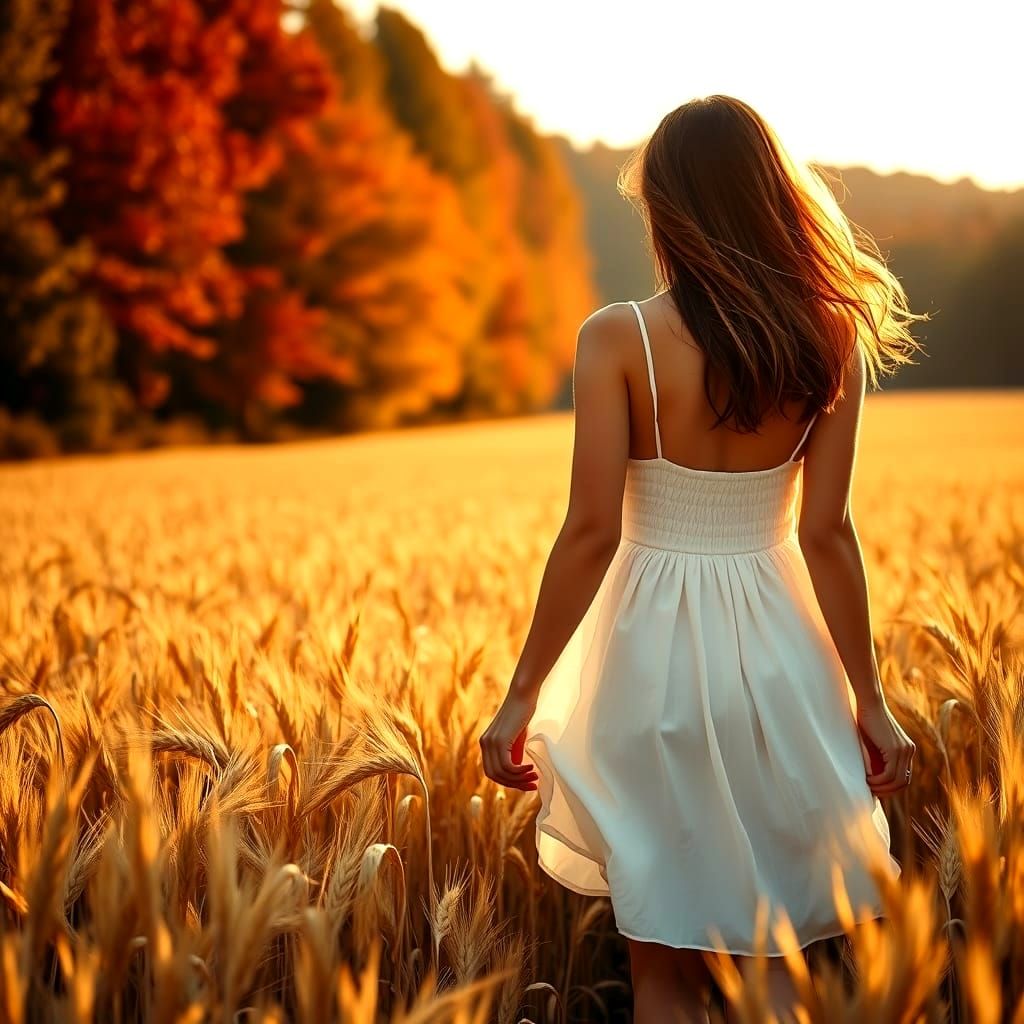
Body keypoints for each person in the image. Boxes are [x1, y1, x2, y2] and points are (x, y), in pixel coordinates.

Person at [478, 94, 923, 1023]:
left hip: (647, 661)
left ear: (670, 207)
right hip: (780, 664)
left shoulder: (619, 338)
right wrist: (870, 701)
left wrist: (521, 696)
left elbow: (591, 530)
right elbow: (827, 533)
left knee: (666, 971)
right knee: (772, 953)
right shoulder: (827, 335)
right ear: (772, 198)